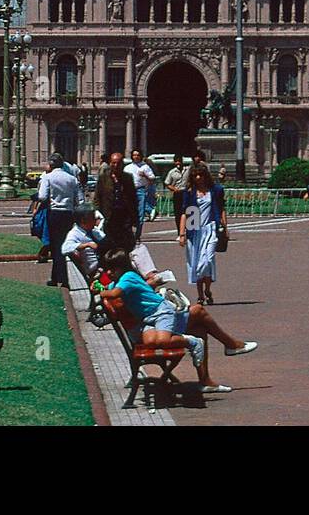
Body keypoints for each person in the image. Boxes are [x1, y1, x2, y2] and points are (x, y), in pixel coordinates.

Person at [104, 249, 255, 395]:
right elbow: (118, 299)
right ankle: (228, 347)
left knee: (198, 321)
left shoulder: (122, 281)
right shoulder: (118, 286)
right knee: (198, 314)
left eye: (112, 269)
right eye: (108, 269)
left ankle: (216, 363)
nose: (109, 273)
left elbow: (131, 293)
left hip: (152, 318)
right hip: (150, 322)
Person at [177, 162, 226, 305]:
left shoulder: (215, 190)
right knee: (196, 263)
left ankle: (208, 288)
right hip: (194, 230)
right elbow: (185, 213)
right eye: (195, 175)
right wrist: (182, 234)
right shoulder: (190, 193)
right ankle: (201, 295)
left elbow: (221, 208)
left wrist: (225, 227)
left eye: (201, 175)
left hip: (210, 229)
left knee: (207, 260)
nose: (198, 178)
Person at [38, 152, 83, 287]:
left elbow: (42, 196)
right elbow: (79, 199)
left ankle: (60, 277)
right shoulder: (72, 179)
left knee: (56, 246)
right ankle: (60, 277)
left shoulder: (48, 177)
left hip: (54, 213)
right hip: (68, 213)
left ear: (51, 164)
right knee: (64, 244)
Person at [95, 151, 138, 252]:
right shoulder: (103, 177)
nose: (116, 165)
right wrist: (97, 215)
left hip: (124, 216)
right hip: (108, 216)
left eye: (118, 163)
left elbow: (133, 198)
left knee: (125, 245)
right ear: (110, 163)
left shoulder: (128, 178)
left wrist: (135, 218)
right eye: (113, 163)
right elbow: (97, 197)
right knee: (109, 244)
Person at [60, 204, 105, 281]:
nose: (95, 219)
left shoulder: (94, 231)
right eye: (92, 217)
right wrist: (87, 245)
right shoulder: (74, 233)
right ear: (83, 220)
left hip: (105, 267)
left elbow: (105, 239)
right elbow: (65, 248)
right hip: (95, 274)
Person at [125, 150, 157, 238]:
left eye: (138, 155)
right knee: (128, 212)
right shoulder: (127, 167)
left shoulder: (145, 167)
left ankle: (137, 234)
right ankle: (129, 233)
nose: (136, 157)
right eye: (134, 155)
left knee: (140, 213)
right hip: (129, 191)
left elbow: (153, 179)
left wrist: (145, 176)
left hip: (140, 190)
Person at [164, 154, 189, 223]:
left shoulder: (188, 170)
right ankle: (179, 228)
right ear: (174, 162)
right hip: (177, 193)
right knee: (178, 212)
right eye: (176, 161)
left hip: (186, 192)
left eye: (179, 161)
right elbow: (167, 183)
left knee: (187, 210)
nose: (178, 163)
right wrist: (174, 189)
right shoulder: (172, 172)